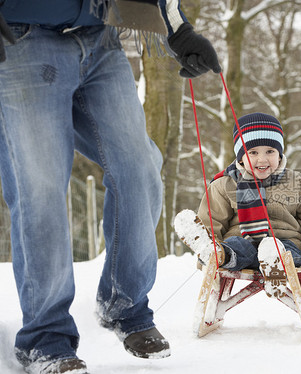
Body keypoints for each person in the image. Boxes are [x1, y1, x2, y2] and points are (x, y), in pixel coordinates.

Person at [0, 1, 220, 373]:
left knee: (140, 168)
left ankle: (124, 303)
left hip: (100, 39)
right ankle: (45, 338)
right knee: (40, 190)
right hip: (21, 40)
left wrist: (178, 29)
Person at [175, 112, 301, 297]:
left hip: (286, 247)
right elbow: (212, 220)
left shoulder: (300, 184)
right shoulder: (225, 185)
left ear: (280, 153)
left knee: (285, 252)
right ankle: (215, 254)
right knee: (233, 246)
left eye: (270, 151)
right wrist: (208, 265)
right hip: (243, 248)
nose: (262, 159)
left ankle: (275, 264)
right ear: (240, 157)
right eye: (253, 152)